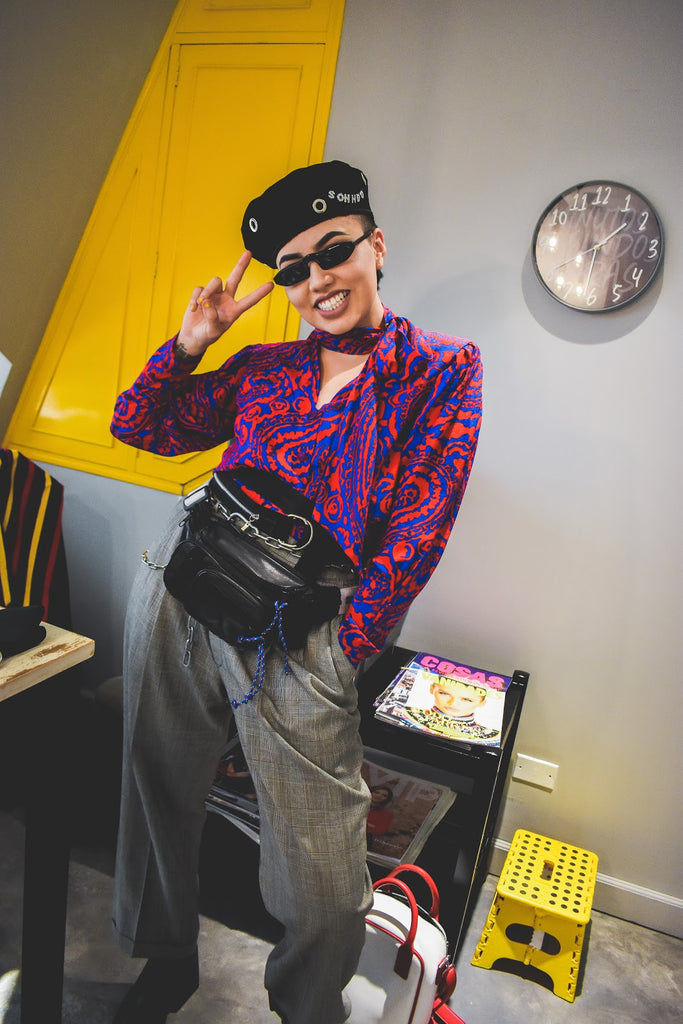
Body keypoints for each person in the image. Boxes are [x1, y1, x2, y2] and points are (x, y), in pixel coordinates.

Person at [109, 159, 482, 1024]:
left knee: (321, 874)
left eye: (334, 250)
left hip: (301, 634)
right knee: (157, 782)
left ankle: (307, 1010)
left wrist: (341, 650)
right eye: (293, 268)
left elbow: (422, 524)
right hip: (184, 593)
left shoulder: (440, 368)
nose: (317, 280)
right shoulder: (264, 366)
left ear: (376, 246)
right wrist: (192, 342)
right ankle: (164, 961)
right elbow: (139, 423)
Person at [404, 673, 500, 743]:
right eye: (444, 694)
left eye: (467, 700)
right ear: (432, 689)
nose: (453, 703)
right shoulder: (405, 713)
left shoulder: (492, 737)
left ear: (482, 703)